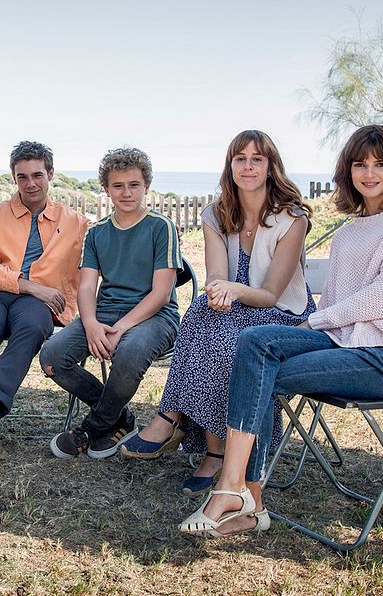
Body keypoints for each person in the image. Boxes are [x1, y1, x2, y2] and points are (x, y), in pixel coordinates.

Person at [179, 124, 383, 538]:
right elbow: (337, 301)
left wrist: (312, 323)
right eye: (359, 164)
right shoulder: (352, 229)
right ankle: (244, 499)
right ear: (347, 171)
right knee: (253, 341)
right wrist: (316, 326)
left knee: (255, 371)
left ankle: (239, 493)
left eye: (380, 164)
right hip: (342, 343)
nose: (368, 173)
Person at [119, 131, 314, 498]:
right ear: (230, 165)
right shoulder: (216, 213)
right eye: (240, 158)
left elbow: (271, 294)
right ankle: (189, 430)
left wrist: (233, 291)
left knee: (228, 344)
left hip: (281, 314)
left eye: (257, 159)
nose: (248, 166)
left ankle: (198, 440)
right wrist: (218, 291)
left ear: (271, 166)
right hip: (231, 306)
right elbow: (216, 277)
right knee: (200, 314)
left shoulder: (292, 219)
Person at [0, 141, 89, 475]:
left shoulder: (76, 222)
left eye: (37, 175)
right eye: (22, 177)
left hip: (39, 303)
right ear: (14, 178)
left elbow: (89, 270)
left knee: (31, 330)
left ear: (51, 174)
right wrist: (28, 285)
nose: (30, 184)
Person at [39, 147, 180, 460]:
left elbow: (160, 293)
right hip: (103, 314)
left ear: (147, 185)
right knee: (51, 356)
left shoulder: (161, 227)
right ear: (106, 189)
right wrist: (90, 323)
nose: (126, 192)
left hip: (155, 317)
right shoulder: (98, 232)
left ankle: (91, 427)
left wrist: (121, 328)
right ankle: (118, 417)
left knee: (129, 354)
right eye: (118, 186)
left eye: (134, 185)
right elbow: (87, 286)